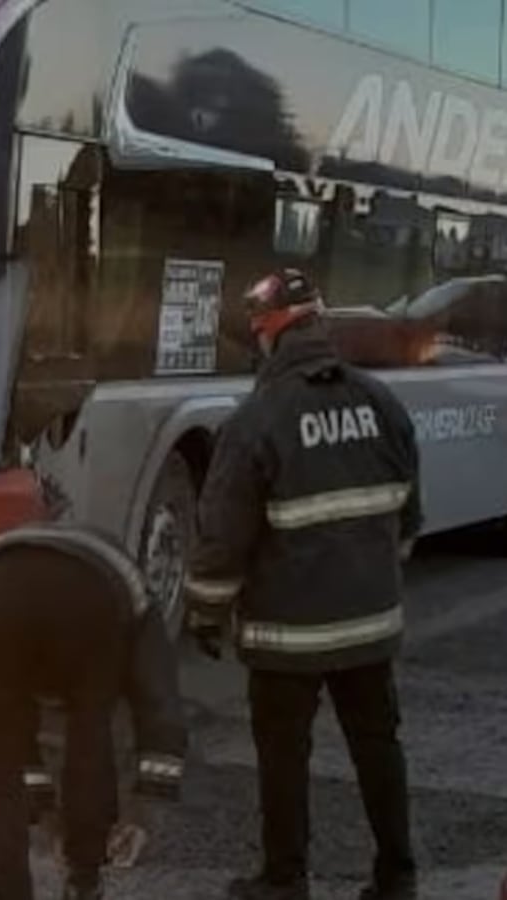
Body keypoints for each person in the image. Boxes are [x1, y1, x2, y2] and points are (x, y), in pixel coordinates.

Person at [183, 268, 422, 900]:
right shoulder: (380, 402)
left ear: (268, 335)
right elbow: (407, 515)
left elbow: (222, 535)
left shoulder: (258, 419)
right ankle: (398, 877)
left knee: (284, 756)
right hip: (371, 625)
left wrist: (206, 613)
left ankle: (285, 879)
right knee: (378, 747)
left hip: (288, 633)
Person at [0, 526, 188, 900]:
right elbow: (160, 702)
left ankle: (7, 893)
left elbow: (15, 739)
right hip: (86, 597)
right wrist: (140, 813)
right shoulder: (135, 610)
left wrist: (50, 817)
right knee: (90, 731)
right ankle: (84, 882)